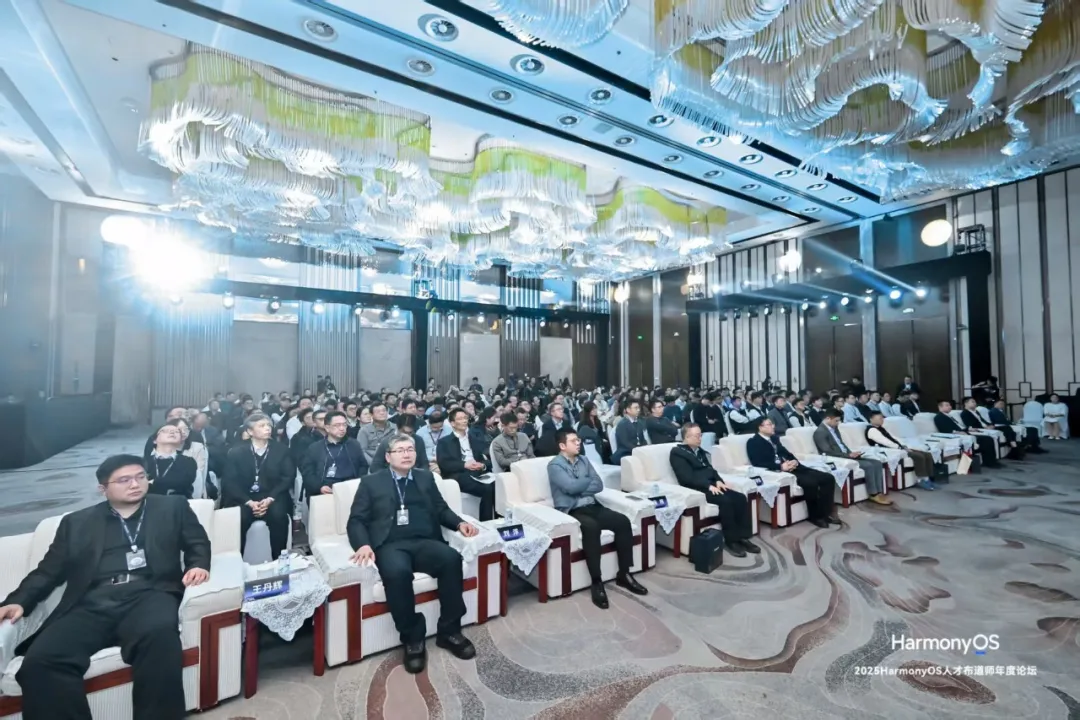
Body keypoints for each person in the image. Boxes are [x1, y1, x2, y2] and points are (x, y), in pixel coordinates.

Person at [0, 454, 210, 720]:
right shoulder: (77, 523)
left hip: (150, 594)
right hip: (91, 602)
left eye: (140, 477)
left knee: (159, 639)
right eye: (124, 480)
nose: (135, 484)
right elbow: (49, 571)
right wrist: (19, 600)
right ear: (103, 488)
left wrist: (198, 565)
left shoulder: (172, 507)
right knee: (42, 661)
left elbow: (197, 543)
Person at [346, 434, 479, 674]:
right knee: (397, 573)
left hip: (425, 540)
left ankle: (449, 631)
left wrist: (459, 523)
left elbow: (440, 509)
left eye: (410, 449)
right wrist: (362, 545)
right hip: (390, 544)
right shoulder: (371, 482)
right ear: (388, 457)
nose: (407, 454)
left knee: (451, 559)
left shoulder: (426, 477)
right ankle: (413, 639)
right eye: (400, 450)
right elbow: (356, 520)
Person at [547, 429, 647, 609]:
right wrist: (586, 481)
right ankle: (596, 581)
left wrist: (579, 485)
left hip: (593, 505)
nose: (578, 443)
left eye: (578, 440)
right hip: (572, 510)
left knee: (622, 521)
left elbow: (599, 484)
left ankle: (624, 574)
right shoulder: (554, 465)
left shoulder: (584, 460)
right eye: (573, 441)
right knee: (591, 528)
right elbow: (569, 488)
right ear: (562, 446)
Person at [669, 424, 759, 558]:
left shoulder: (699, 451)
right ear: (686, 437)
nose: (700, 438)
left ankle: (743, 537)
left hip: (712, 486)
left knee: (740, 498)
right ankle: (731, 540)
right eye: (697, 436)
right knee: (726, 501)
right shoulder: (677, 453)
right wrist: (708, 486)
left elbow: (710, 469)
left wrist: (718, 481)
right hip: (697, 489)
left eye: (700, 435)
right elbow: (686, 477)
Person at [221, 413, 296, 558]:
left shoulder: (281, 450)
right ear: (250, 431)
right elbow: (229, 482)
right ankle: (236, 560)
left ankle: (279, 559)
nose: (267, 428)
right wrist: (249, 502)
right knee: (239, 519)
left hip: (272, 495)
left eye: (268, 425)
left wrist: (270, 498)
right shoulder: (236, 452)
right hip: (244, 497)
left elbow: (287, 477)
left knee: (278, 516)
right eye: (262, 426)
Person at [747, 418, 838, 529]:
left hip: (792, 467)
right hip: (778, 471)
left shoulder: (774, 439)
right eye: (769, 424)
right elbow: (757, 463)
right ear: (760, 427)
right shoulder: (753, 442)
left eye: (772, 424)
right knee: (811, 483)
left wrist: (794, 461)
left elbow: (786, 453)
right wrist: (780, 467)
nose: (773, 426)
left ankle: (826, 513)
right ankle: (815, 516)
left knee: (828, 478)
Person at [814, 410, 891, 505]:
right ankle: (873, 494)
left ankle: (879, 491)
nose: (838, 423)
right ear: (827, 419)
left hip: (847, 455)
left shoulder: (834, 428)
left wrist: (851, 453)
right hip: (839, 458)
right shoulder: (820, 432)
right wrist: (848, 455)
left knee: (877, 463)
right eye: (836, 421)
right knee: (868, 465)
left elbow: (841, 444)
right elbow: (827, 451)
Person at [436, 408, 495, 520]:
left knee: (498, 484)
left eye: (465, 418)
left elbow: (488, 459)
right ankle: (486, 522)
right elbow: (444, 464)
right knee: (487, 489)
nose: (464, 421)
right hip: (460, 474)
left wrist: (482, 465)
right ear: (452, 423)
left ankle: (500, 519)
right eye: (460, 419)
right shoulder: (444, 442)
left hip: (478, 472)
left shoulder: (474, 439)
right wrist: (464, 465)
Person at [303, 410, 370, 498]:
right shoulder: (315, 448)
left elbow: (363, 466)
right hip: (325, 489)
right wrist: (320, 487)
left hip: (350, 487)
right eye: (337, 425)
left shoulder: (354, 444)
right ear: (327, 428)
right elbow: (308, 473)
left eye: (344, 425)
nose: (342, 428)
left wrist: (358, 483)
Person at [866, 411, 937, 490]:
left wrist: (904, 445)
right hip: (890, 451)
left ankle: (929, 478)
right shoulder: (871, 430)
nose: (882, 419)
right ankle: (921, 480)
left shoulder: (881, 428)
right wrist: (900, 448)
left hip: (898, 448)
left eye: (882, 418)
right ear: (871, 419)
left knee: (927, 454)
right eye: (880, 418)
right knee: (919, 456)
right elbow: (885, 442)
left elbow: (894, 438)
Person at [933, 400, 1001, 468]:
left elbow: (959, 426)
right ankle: (990, 463)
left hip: (964, 433)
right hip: (957, 436)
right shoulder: (939, 417)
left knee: (988, 438)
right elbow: (945, 430)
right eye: (947, 405)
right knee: (986, 440)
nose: (950, 407)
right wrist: (957, 432)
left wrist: (968, 429)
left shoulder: (949, 416)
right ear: (940, 407)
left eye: (950, 405)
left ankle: (991, 462)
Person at [145, 423, 197, 499]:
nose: (172, 432)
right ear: (154, 440)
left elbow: (182, 482)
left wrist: (153, 482)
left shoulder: (189, 461)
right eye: (165, 431)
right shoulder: (143, 462)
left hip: (179, 503)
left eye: (176, 432)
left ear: (180, 440)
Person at [612, 399, 648, 464]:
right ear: (628, 410)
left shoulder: (639, 422)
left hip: (637, 451)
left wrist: (646, 448)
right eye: (636, 408)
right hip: (625, 453)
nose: (638, 410)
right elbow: (625, 443)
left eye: (638, 408)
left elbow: (642, 440)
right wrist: (638, 451)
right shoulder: (622, 424)